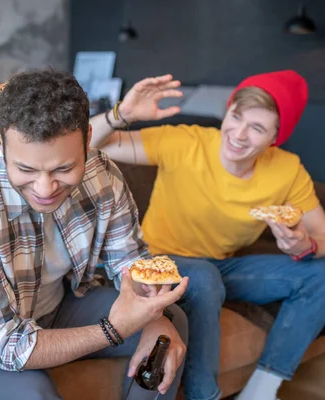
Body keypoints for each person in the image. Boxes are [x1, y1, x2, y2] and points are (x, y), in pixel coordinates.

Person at [0, 69, 190, 400]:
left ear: (87, 136)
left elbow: (130, 261)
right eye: (25, 169)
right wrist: (115, 330)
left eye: (63, 169)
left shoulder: (103, 174)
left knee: (171, 322)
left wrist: (152, 316)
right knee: (33, 394)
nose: (45, 188)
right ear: (2, 139)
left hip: (59, 309)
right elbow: (5, 347)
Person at [89, 70, 325, 400]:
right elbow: (88, 142)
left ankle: (260, 391)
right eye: (236, 117)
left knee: (320, 275)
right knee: (203, 276)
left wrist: (305, 244)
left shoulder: (287, 169)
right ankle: (205, 396)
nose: (238, 134)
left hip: (220, 267)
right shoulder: (188, 141)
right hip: (159, 261)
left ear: (275, 137)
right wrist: (121, 114)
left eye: (256, 128)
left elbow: (321, 237)